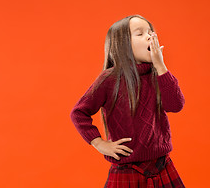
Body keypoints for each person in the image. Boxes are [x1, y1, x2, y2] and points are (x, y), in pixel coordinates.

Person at [70, 14, 186, 187]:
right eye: (139, 33)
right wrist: (99, 143)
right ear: (122, 45)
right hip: (128, 170)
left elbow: (176, 105)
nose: (149, 36)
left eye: (150, 32)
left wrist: (161, 66)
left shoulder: (159, 75)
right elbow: (79, 113)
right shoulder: (110, 79)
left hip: (162, 166)